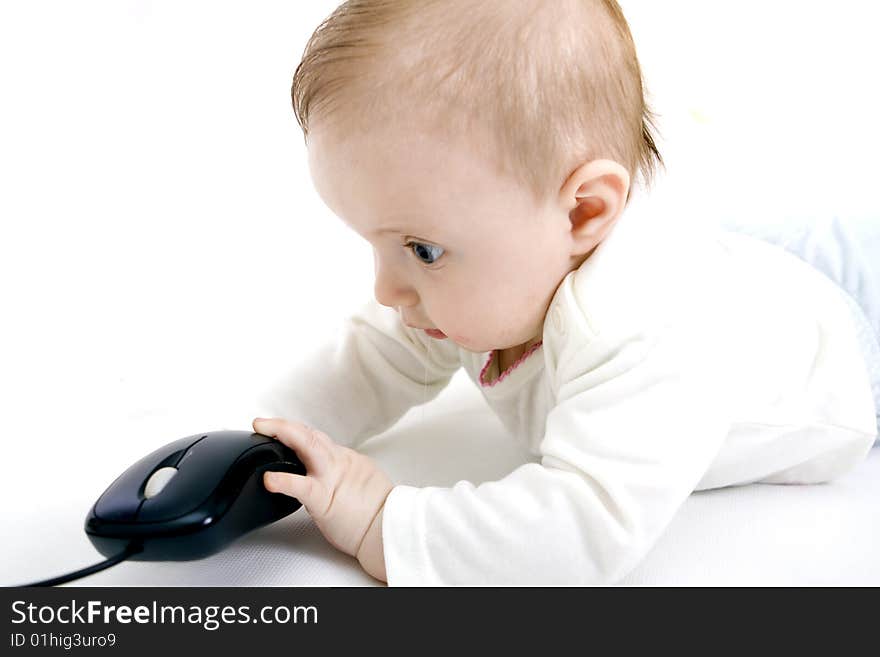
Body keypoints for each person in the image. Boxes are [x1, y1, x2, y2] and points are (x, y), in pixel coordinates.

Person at [253, 0, 879, 585]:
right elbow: (375, 356)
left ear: (582, 214)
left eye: (421, 251)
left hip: (852, 346)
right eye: (378, 245)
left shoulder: (639, 326)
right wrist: (266, 439)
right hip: (756, 271)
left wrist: (380, 523)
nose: (387, 291)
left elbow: (583, 524)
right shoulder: (490, 271)